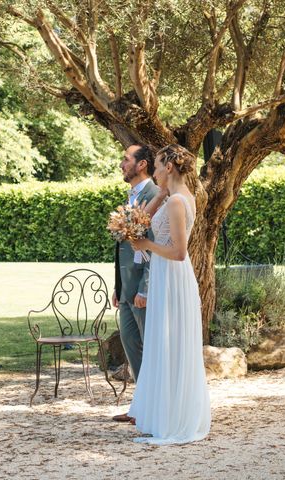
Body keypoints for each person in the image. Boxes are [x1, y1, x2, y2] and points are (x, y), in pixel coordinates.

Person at [127, 144, 211, 444]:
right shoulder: (171, 198)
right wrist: (160, 194)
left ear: (170, 168)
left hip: (172, 276)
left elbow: (178, 252)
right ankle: (164, 411)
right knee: (163, 343)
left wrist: (147, 247)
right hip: (165, 277)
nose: (156, 172)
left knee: (170, 343)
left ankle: (174, 416)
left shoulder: (178, 202)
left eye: (159, 166)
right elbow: (136, 225)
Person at [111, 144, 162, 423]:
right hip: (127, 288)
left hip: (142, 289)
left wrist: (145, 287)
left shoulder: (154, 195)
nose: (122, 163)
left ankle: (155, 407)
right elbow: (125, 248)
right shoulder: (131, 197)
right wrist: (119, 286)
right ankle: (141, 406)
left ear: (142, 164)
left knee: (148, 345)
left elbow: (154, 245)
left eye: (126, 159)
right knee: (131, 343)